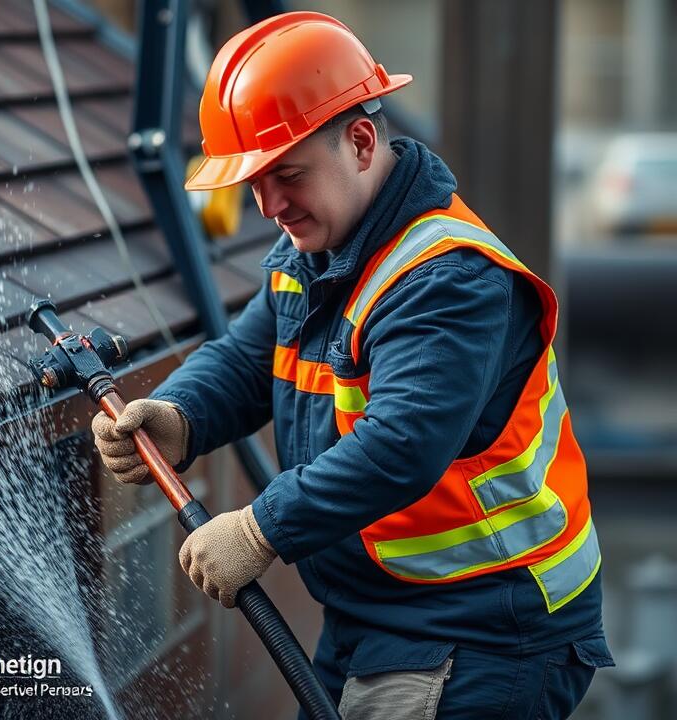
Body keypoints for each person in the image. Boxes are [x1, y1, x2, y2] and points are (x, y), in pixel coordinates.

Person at [92, 11, 612, 719]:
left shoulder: (447, 279)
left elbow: (401, 446)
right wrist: (181, 414)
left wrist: (259, 528)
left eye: (288, 175)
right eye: (254, 183)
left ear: (362, 142)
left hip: (487, 626)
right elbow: (250, 358)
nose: (269, 206)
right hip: (380, 614)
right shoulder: (320, 249)